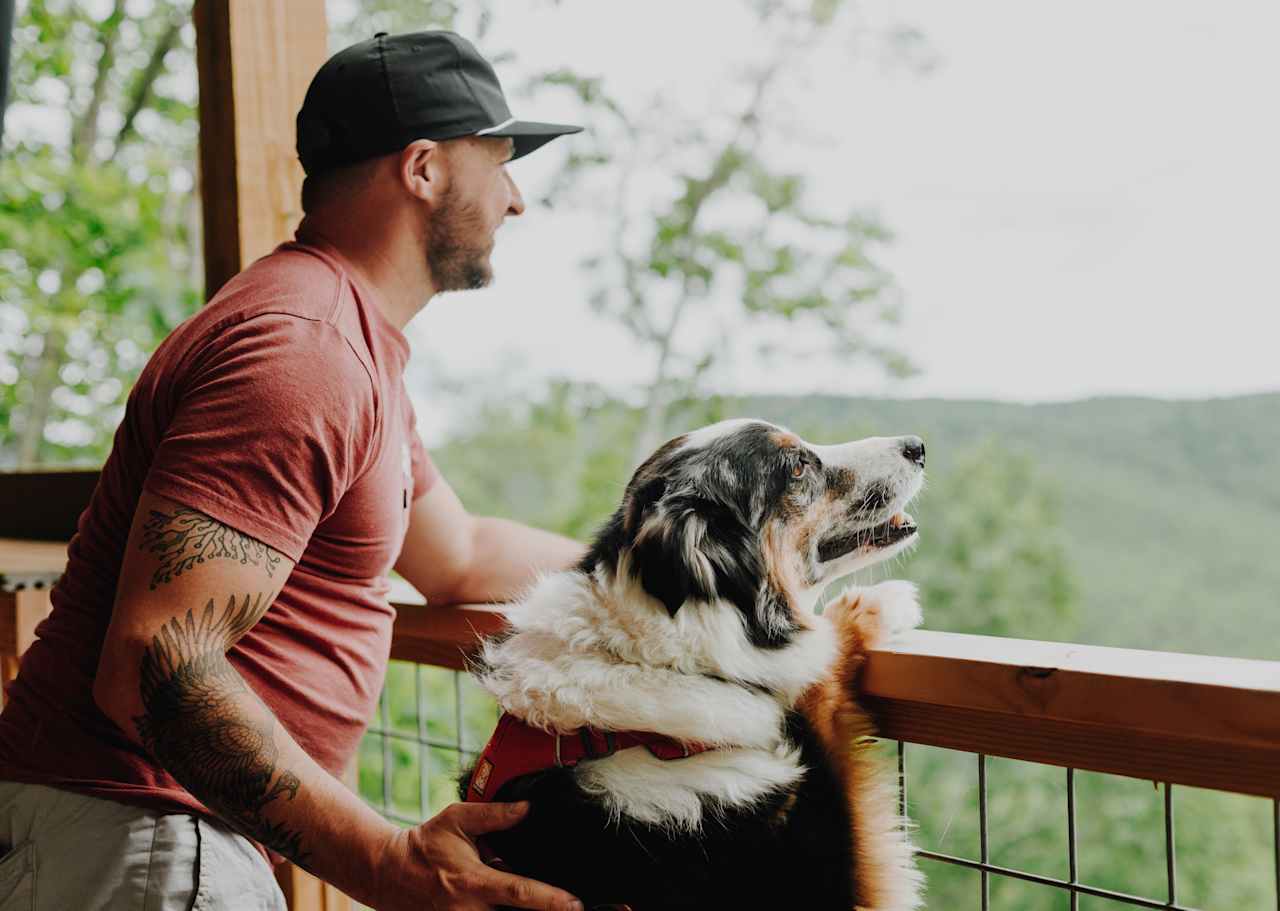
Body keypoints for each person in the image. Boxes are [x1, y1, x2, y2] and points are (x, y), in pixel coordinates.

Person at [0, 30, 588, 911]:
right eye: (498, 160)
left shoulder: (347, 346)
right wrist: (388, 865)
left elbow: (457, 554)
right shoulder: (303, 352)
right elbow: (153, 661)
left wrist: (674, 581)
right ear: (423, 167)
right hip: (143, 837)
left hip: (157, 836)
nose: (516, 199)